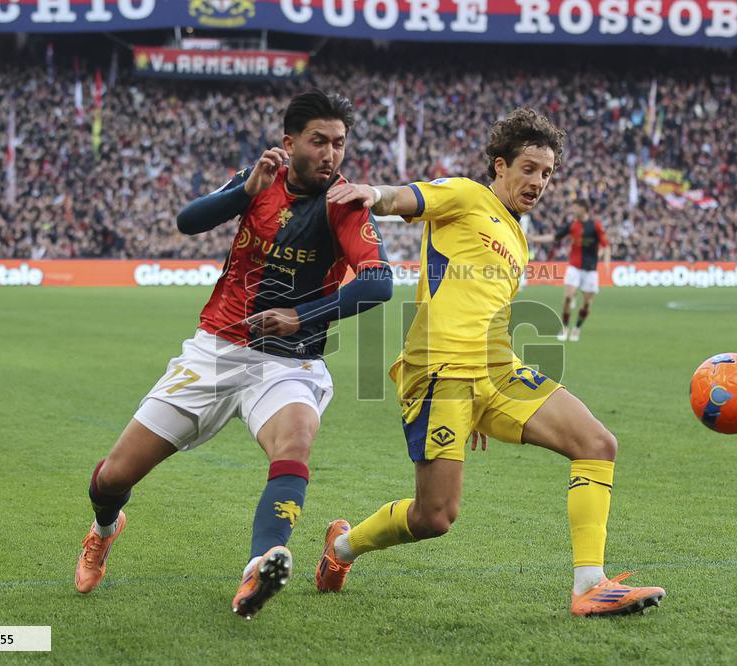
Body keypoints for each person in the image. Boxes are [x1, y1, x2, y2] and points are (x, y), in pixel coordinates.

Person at [316, 108, 665, 617]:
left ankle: (591, 585)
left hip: (496, 371)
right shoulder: (466, 194)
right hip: (439, 371)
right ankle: (342, 546)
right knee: (435, 516)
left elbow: (490, 312)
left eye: (547, 173)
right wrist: (375, 195)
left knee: (597, 443)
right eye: (528, 168)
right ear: (500, 166)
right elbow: (408, 197)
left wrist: (484, 403)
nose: (538, 182)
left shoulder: (517, 238)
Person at [73, 90, 393, 621]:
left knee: (294, 442)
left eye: (340, 144)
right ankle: (105, 530)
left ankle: (258, 565)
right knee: (112, 479)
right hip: (216, 351)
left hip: (289, 359)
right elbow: (187, 222)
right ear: (289, 144)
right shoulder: (260, 178)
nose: (332, 154)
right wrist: (245, 190)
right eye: (319, 142)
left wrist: (302, 316)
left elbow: (380, 283)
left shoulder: (346, 202)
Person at [530, 198, 610, 342]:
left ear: (584, 209)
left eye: (576, 208)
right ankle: (565, 327)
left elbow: (606, 245)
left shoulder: (596, 226)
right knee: (568, 297)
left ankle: (577, 328)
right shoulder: (572, 225)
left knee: (586, 304)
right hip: (574, 267)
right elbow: (554, 237)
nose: (573, 210)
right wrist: (533, 238)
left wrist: (606, 263)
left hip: (590, 269)